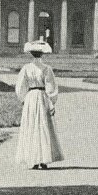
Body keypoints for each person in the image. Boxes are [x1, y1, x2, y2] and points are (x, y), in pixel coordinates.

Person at [15, 39, 64, 169]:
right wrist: (51, 102)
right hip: (42, 97)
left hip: (31, 97)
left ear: (31, 53)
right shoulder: (46, 69)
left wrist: (23, 99)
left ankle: (33, 159)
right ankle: (42, 159)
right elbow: (50, 87)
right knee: (42, 127)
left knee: (31, 126)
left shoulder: (26, 68)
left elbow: (20, 86)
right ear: (42, 54)